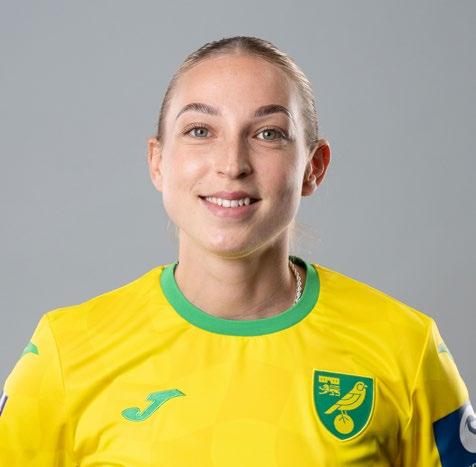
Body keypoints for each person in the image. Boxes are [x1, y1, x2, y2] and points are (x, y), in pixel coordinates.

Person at [0, 35, 474, 466]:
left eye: (268, 133)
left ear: (313, 167)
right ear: (158, 162)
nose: (232, 164)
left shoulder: (406, 346)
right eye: (200, 130)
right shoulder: (65, 352)